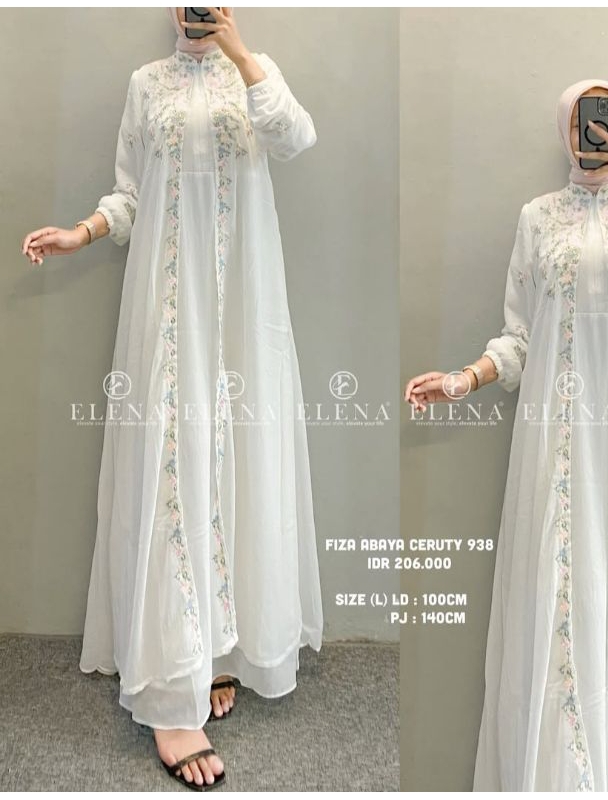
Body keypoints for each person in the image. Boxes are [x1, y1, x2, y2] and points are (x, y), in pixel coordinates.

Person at [21, 7, 323, 790]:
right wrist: (83, 231)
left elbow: (295, 137)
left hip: (242, 310)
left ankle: (216, 645)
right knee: (172, 461)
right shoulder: (146, 83)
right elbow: (130, 193)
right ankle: (171, 688)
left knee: (236, 455)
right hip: (167, 305)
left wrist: (237, 47)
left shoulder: (254, 73)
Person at [404, 79, 608, 790]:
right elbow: (520, 336)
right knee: (563, 589)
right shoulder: (538, 218)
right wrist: (464, 379)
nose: (597, 133)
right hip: (558, 444)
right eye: (585, 120)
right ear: (565, 129)